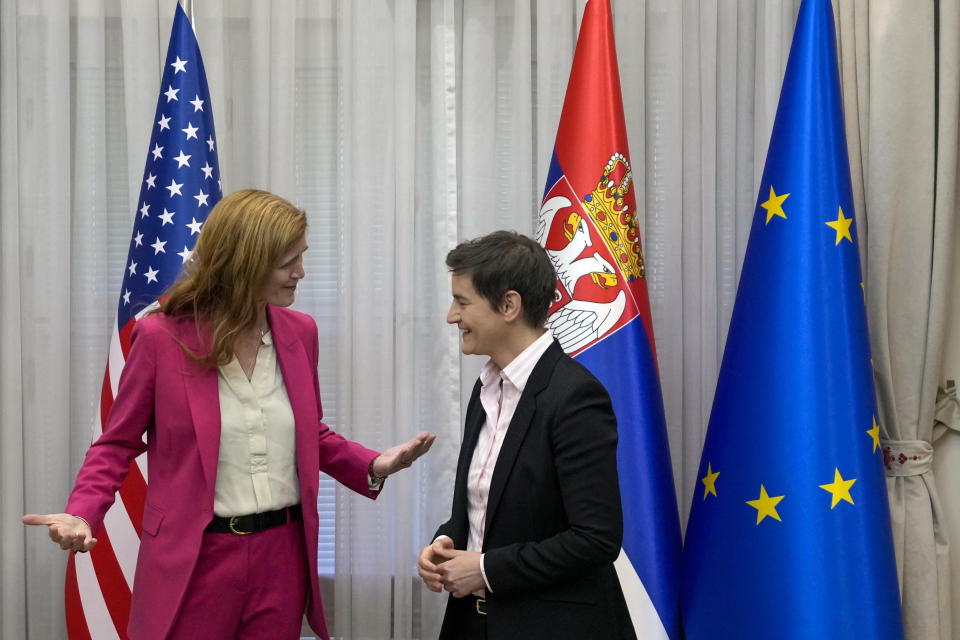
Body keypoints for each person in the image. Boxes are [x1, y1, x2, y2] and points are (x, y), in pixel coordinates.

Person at [23, 189, 435, 640]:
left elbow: (308, 434)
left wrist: (374, 464)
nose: (302, 273)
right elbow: (117, 442)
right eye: (288, 262)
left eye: (302, 257)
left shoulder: (301, 332)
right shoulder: (161, 337)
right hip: (196, 559)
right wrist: (83, 514)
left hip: (282, 558)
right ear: (245, 264)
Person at [418, 230, 635, 639]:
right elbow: (492, 511)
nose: (451, 316)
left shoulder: (575, 397)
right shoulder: (485, 390)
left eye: (462, 302)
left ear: (508, 305)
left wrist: (484, 569)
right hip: (471, 624)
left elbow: (596, 538)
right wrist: (446, 540)